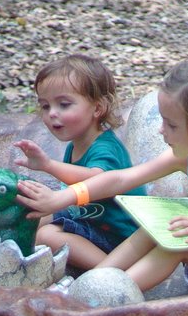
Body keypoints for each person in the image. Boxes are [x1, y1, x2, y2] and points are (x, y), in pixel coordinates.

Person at [16, 57, 188, 292]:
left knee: (172, 245)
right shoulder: (187, 155)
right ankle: (97, 284)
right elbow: (120, 179)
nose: (160, 131)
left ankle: (107, 297)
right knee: (155, 230)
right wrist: (63, 198)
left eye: (171, 124)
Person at [12, 54, 145, 273]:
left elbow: (98, 181)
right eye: (45, 106)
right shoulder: (76, 145)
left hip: (122, 237)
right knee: (36, 217)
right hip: (93, 221)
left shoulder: (105, 148)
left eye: (64, 104)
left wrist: (48, 165)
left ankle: (111, 272)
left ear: (97, 108)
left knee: (46, 235)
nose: (52, 113)